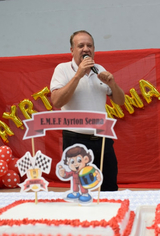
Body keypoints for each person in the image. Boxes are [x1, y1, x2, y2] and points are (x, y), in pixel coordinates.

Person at [50, 30, 125, 191]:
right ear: (72, 50)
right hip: (76, 140)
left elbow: (120, 101)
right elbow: (57, 101)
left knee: (109, 186)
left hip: (102, 139)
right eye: (81, 45)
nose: (86, 49)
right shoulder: (62, 69)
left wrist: (112, 84)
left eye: (89, 46)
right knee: (82, 191)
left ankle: (113, 216)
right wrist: (78, 75)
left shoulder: (99, 69)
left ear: (94, 49)